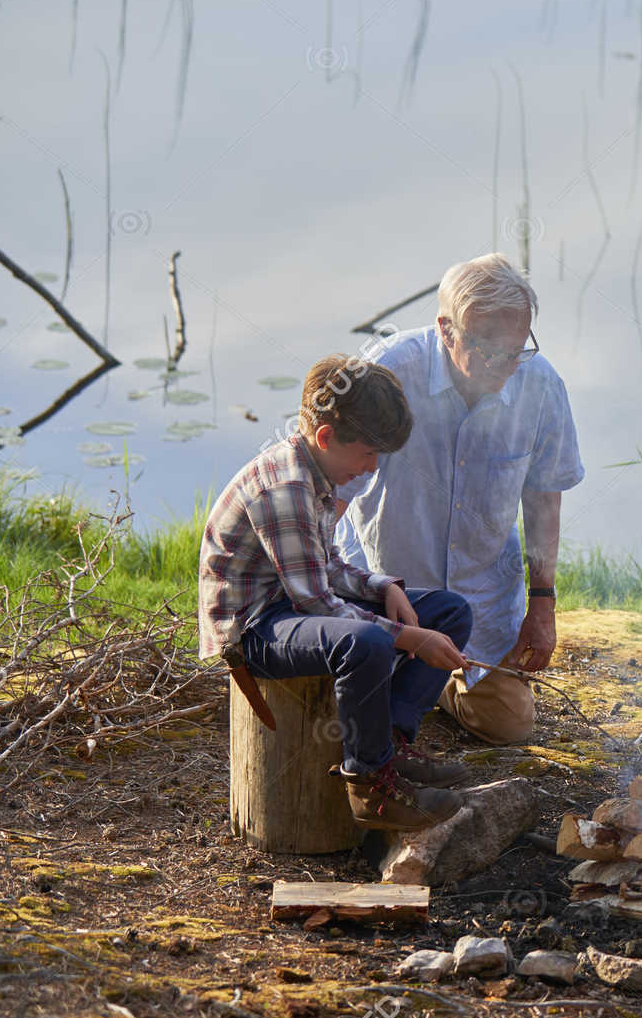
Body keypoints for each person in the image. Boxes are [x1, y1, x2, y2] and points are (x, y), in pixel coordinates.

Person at [198, 355, 474, 831]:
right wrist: (409, 639)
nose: (371, 468)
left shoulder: (318, 471)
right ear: (326, 437)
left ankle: (389, 741)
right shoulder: (284, 489)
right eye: (368, 454)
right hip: (257, 628)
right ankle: (369, 785)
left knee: (448, 612)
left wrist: (383, 586)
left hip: (296, 602)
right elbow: (316, 603)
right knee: (364, 643)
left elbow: (324, 566)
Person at [338, 254, 583, 746]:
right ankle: (413, 672)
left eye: (516, 349)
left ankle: (442, 685)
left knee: (509, 727)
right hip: (389, 592)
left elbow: (543, 502)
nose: (504, 366)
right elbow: (335, 491)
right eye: (487, 349)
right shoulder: (386, 375)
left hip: (483, 604)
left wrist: (542, 606)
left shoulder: (541, 385)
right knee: (348, 721)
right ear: (446, 331)